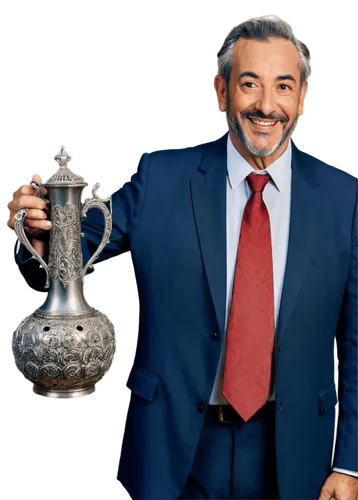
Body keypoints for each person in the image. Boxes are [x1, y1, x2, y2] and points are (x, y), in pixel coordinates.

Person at [5, 13, 358, 500]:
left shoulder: (345, 198)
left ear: (303, 98)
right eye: (249, 84)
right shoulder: (160, 178)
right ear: (221, 90)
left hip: (297, 455)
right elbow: (75, 256)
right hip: (174, 454)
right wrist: (38, 228)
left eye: (283, 86)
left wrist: (351, 464)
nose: (266, 105)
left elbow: (357, 339)